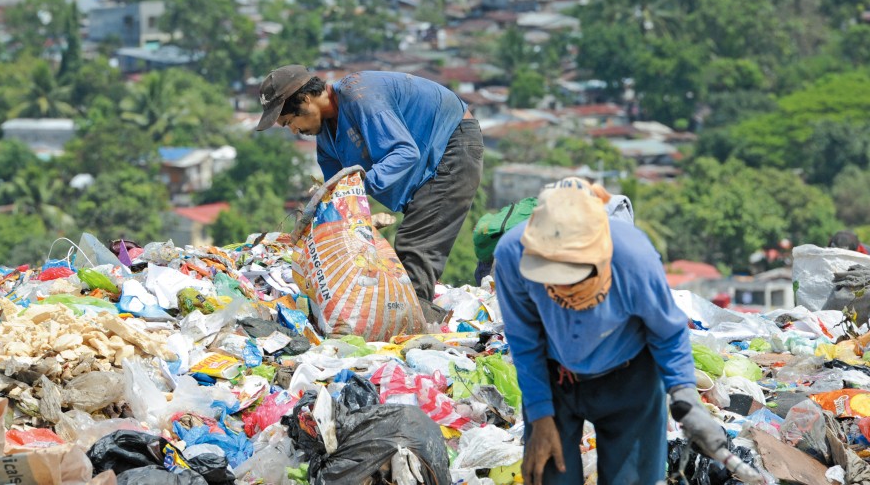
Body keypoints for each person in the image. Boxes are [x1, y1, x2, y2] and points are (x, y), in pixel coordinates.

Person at [494, 178, 728, 485]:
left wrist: (687, 399)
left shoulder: (633, 257)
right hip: (556, 378)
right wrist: (539, 415)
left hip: (630, 378)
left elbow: (667, 333)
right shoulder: (513, 256)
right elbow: (524, 341)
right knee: (549, 473)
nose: (567, 297)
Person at [255, 65, 484, 315]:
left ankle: (414, 321)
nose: (294, 131)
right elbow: (338, 197)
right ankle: (409, 315)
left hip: (453, 143)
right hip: (428, 161)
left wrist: (357, 188)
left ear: (305, 99)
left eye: (290, 121)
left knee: (415, 247)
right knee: (406, 247)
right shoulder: (327, 140)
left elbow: (405, 152)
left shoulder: (360, 96)